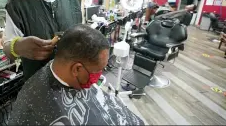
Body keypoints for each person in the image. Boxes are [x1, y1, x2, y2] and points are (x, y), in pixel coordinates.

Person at [8, 24, 144, 125]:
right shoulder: (33, 109)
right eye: (97, 71)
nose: (100, 76)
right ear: (76, 69)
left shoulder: (72, 76)